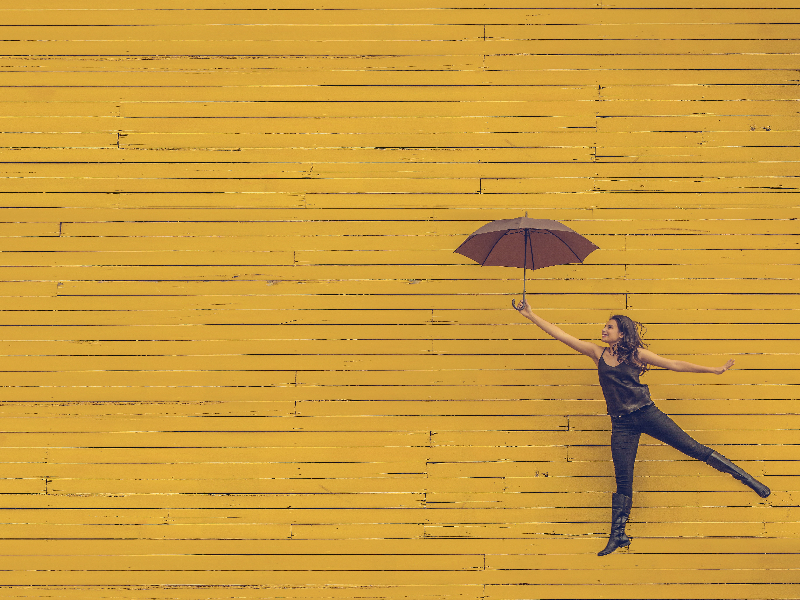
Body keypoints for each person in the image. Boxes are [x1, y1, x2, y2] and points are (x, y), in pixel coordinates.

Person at [514, 301, 770, 556]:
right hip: (621, 423)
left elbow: (674, 364)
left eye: (609, 327)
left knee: (693, 448)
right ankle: (618, 535)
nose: (604, 330)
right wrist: (530, 315)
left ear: (621, 333)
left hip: (646, 414)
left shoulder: (636, 354)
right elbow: (561, 334)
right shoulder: (597, 353)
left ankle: (749, 480)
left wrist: (713, 370)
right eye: (605, 326)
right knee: (623, 480)